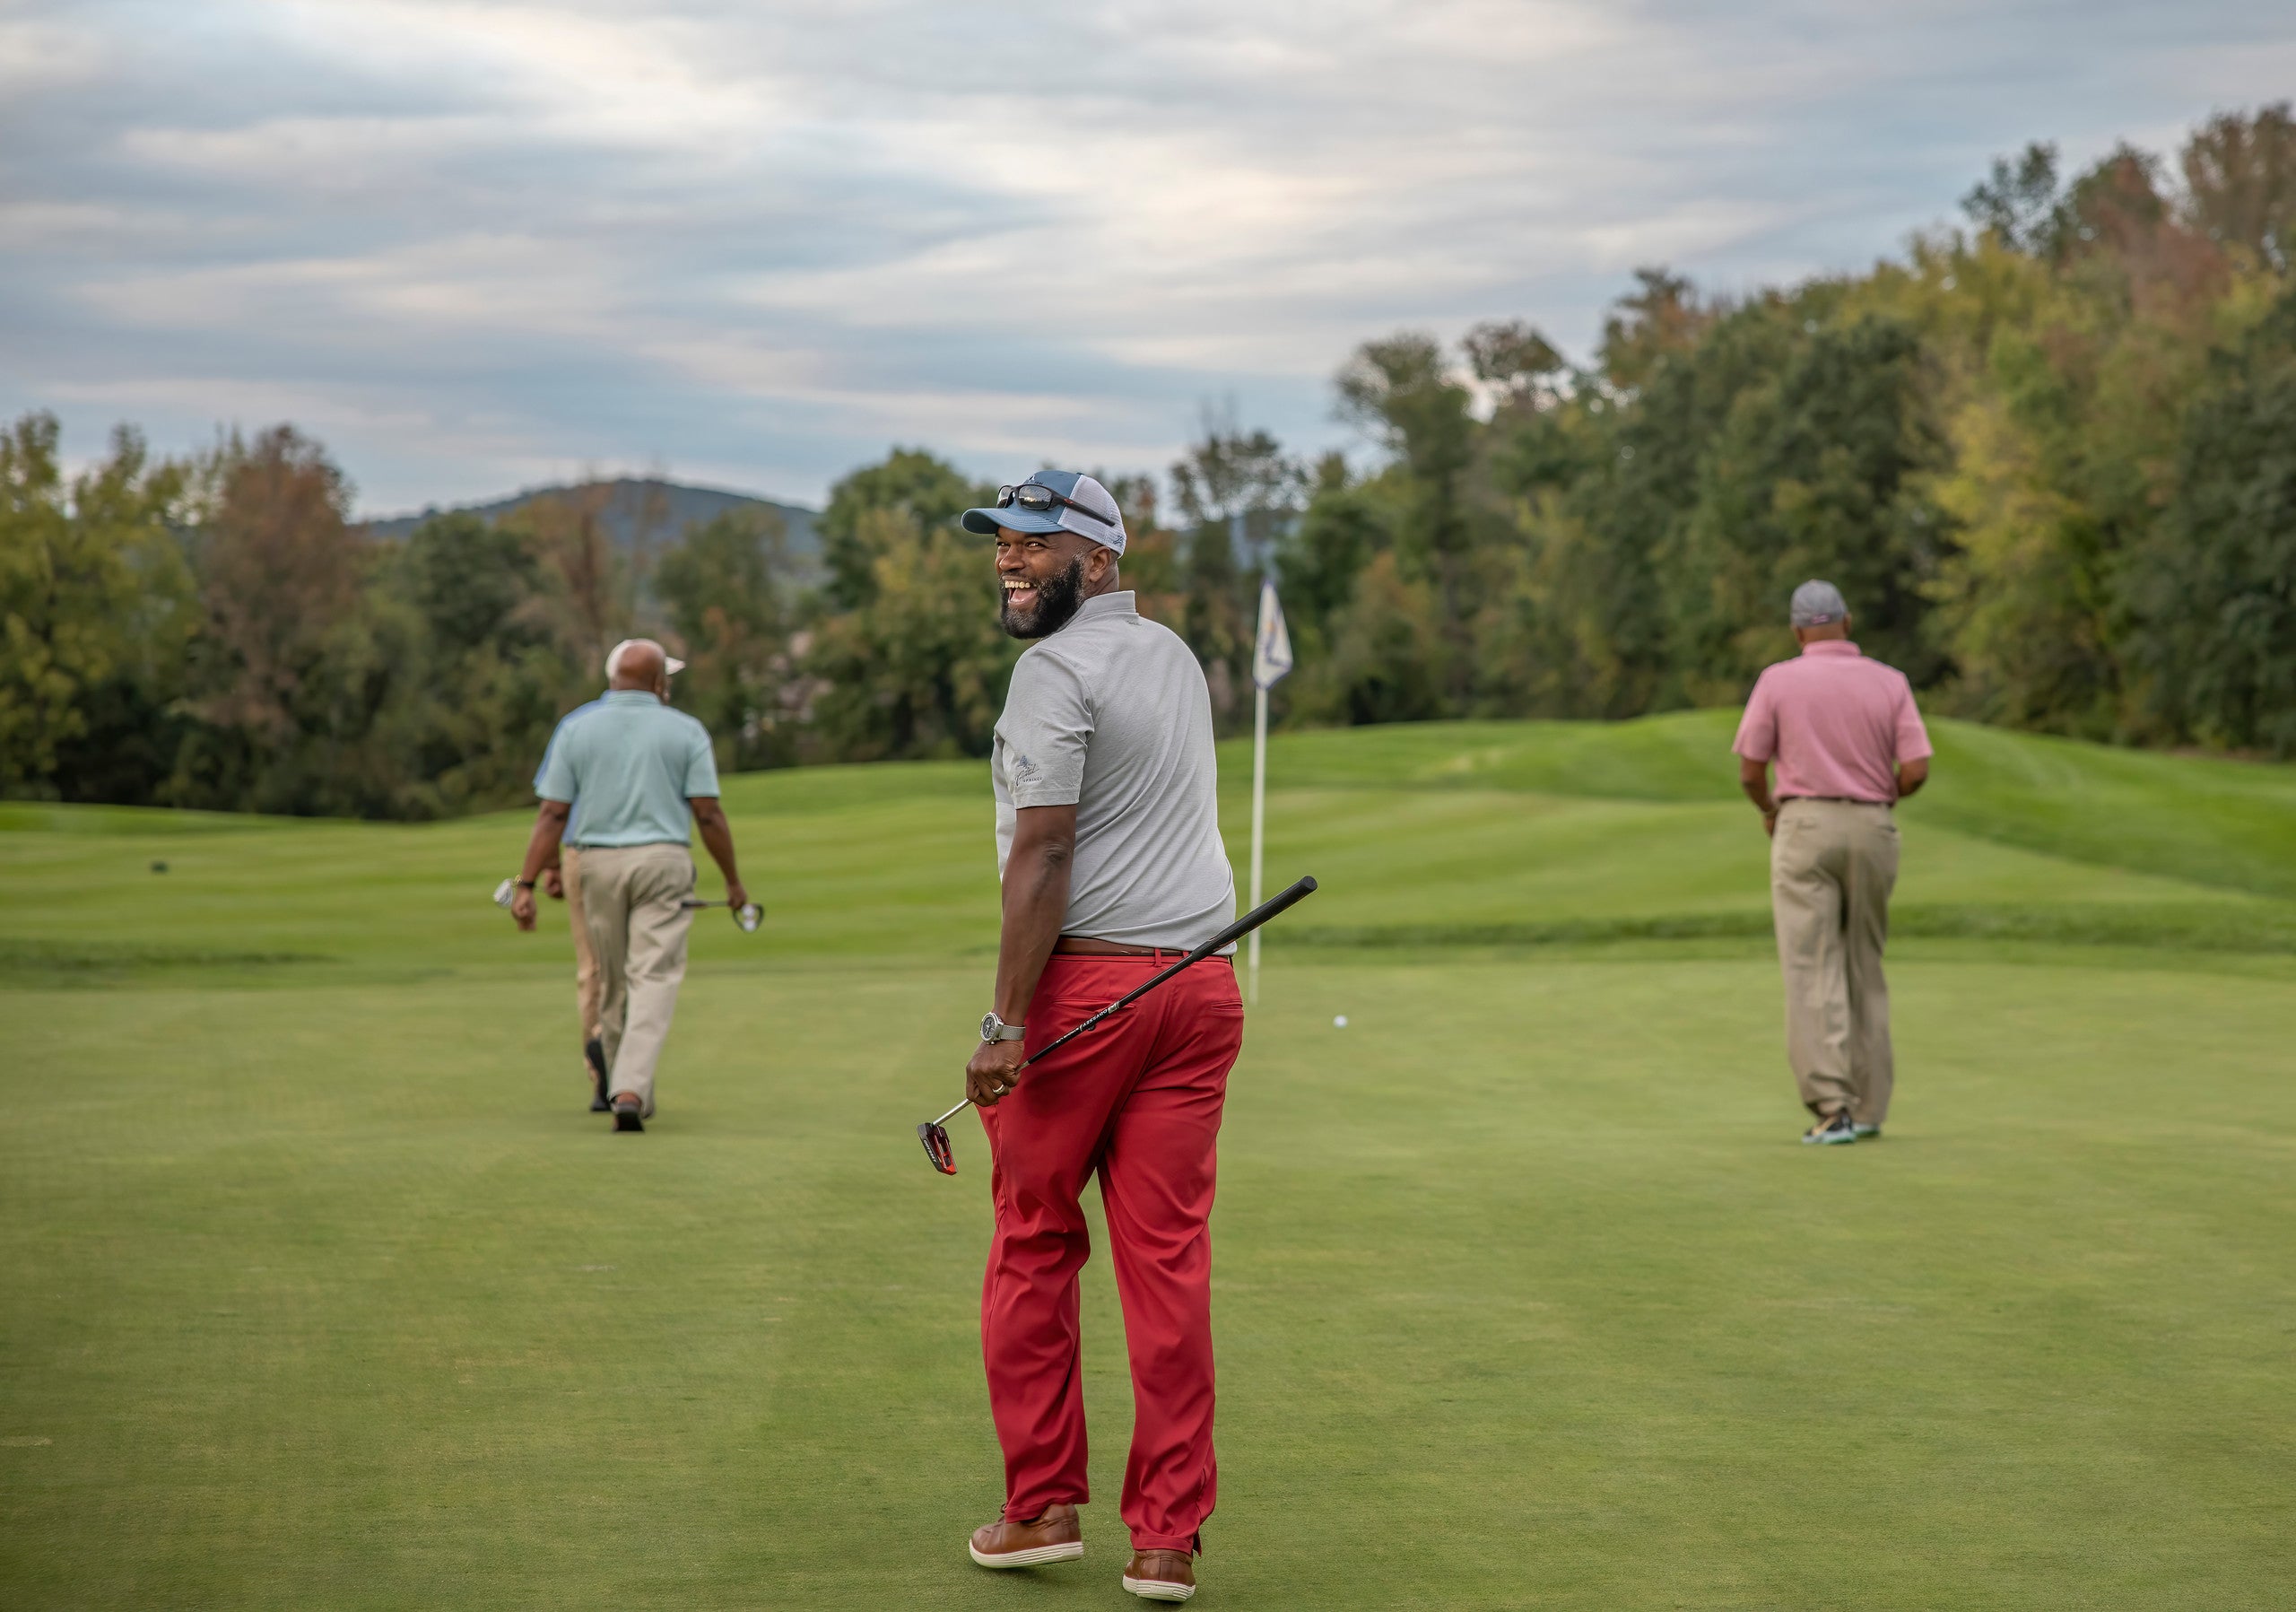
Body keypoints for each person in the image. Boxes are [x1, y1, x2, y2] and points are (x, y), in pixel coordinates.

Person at [955, 472, 1240, 1604]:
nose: (1008, 559)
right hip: (1199, 987)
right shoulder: (1169, 654)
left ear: (1103, 559)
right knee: (1165, 1263)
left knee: (1033, 1238)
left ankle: (1038, 1511)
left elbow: (1044, 856)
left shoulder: (1050, 671)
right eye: (1002, 543)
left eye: (1036, 540)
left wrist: (1004, 1023)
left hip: (1085, 997)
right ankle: (1166, 1538)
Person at [507, 639, 747, 1133]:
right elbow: (707, 812)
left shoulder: (575, 728)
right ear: (660, 683)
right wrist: (733, 881)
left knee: (611, 980)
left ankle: (621, 1082)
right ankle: (631, 1087)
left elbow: (553, 812)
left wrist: (527, 882)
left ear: (612, 678)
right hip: (663, 861)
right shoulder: (685, 730)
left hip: (596, 865)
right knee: (652, 975)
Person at [1733, 580, 1932, 1146]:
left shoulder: (1777, 680)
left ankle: (1833, 1108)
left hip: (1805, 825)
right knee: (1863, 964)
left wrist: (1769, 811)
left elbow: (1750, 770)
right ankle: (1869, 1108)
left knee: (1810, 967)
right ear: (1848, 621)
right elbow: (1916, 769)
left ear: (1798, 632)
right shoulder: (1890, 681)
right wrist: (1880, 798)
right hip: (1873, 826)